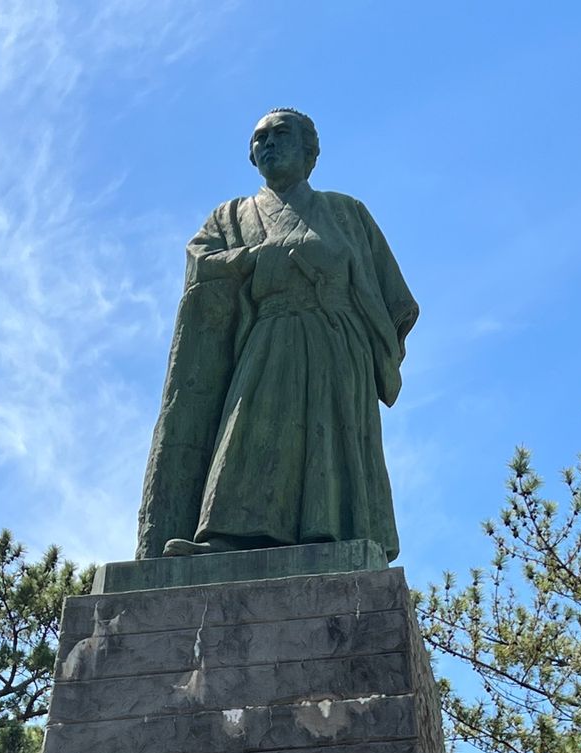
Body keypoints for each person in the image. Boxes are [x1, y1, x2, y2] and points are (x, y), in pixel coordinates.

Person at [137, 108, 418, 561]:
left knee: (329, 436)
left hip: (335, 346)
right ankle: (228, 534)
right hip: (266, 336)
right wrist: (252, 259)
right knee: (248, 428)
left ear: (310, 152)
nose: (266, 144)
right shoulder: (231, 217)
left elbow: (394, 300)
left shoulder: (347, 214)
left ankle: (331, 534)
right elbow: (201, 264)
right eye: (258, 139)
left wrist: (367, 351)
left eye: (280, 134)